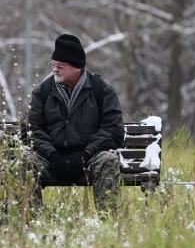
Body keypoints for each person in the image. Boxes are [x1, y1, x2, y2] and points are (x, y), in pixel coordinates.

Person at [20, 34, 125, 213]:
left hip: (90, 157)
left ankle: (108, 225)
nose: (54, 70)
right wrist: (52, 155)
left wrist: (86, 153)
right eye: (53, 64)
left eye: (60, 66)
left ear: (77, 67)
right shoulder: (43, 92)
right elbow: (30, 129)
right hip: (51, 159)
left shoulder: (102, 91)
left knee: (109, 161)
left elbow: (113, 130)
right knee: (24, 162)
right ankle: (30, 226)